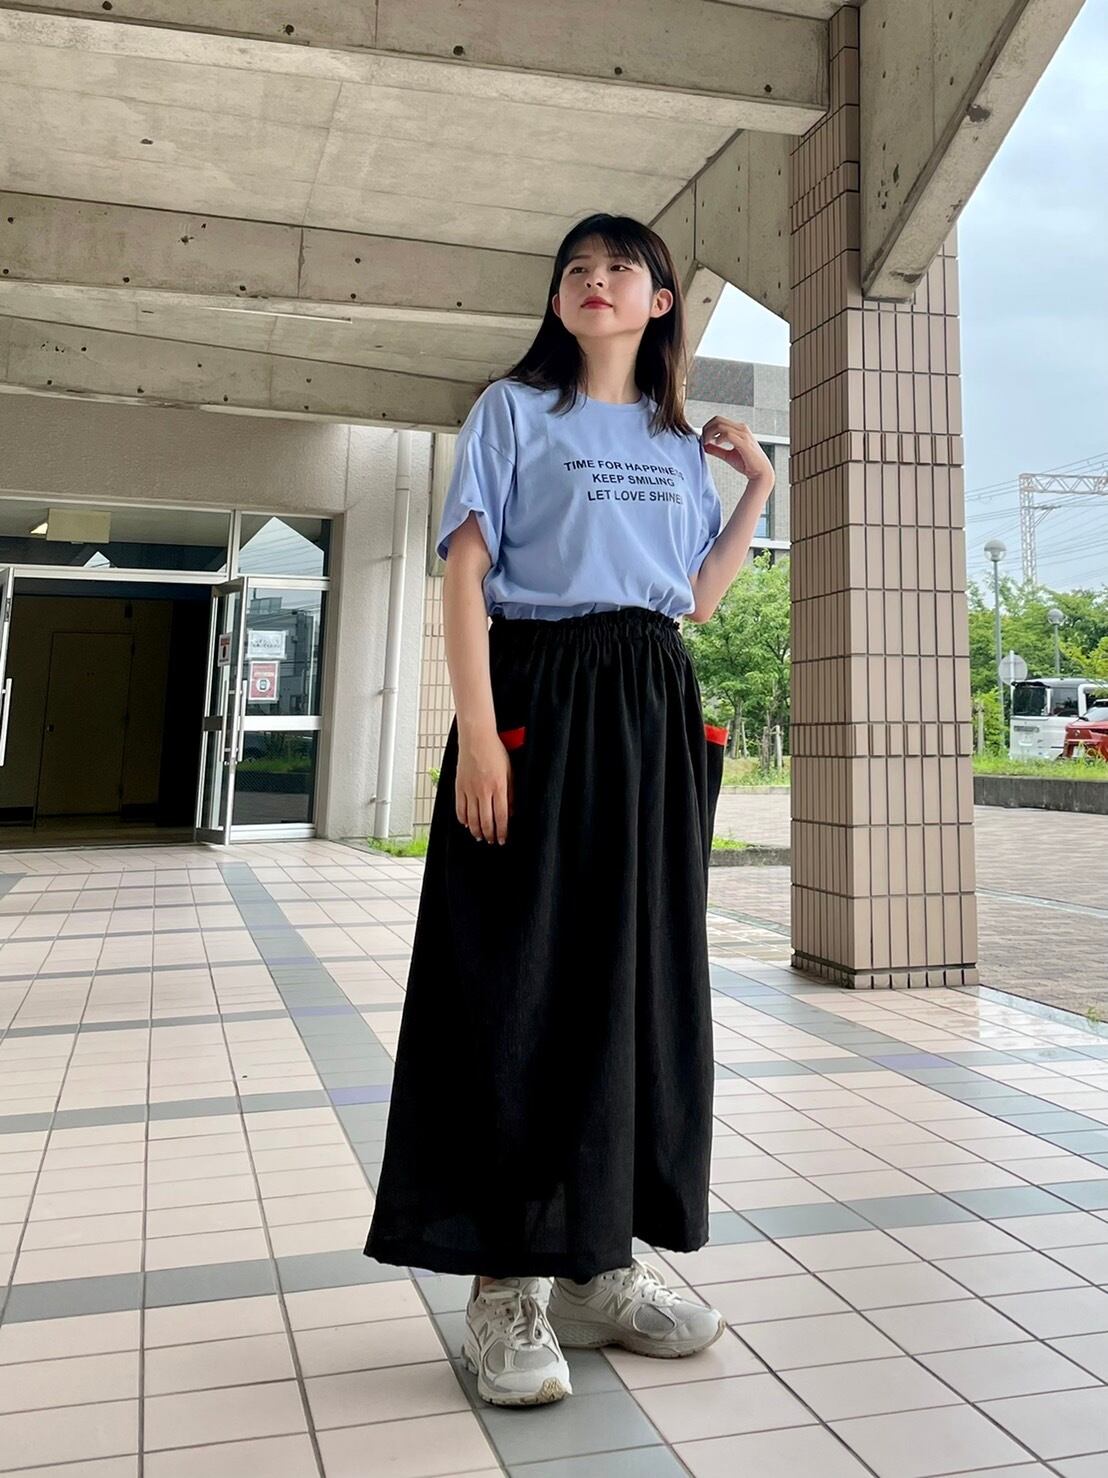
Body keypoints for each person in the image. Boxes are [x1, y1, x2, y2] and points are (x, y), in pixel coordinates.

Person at [363, 212, 776, 1407]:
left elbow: (694, 597)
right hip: (538, 696)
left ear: (659, 302)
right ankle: (506, 1281)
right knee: (518, 979)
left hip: (649, 707)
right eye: (576, 270)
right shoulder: (511, 410)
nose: (596, 282)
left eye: (621, 269)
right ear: (557, 301)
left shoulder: (673, 440)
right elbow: (466, 569)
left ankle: (598, 1262)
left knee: (633, 983)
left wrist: (755, 485)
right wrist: (479, 732)